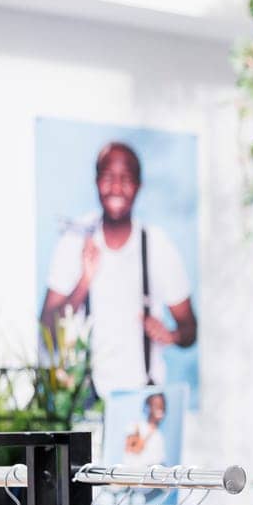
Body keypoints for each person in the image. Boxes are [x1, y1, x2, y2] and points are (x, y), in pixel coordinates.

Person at [41, 142, 197, 396]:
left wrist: (172, 335)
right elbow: (48, 331)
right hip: (83, 400)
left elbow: (190, 329)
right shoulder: (74, 240)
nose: (116, 187)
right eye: (108, 177)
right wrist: (84, 281)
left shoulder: (157, 245)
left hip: (143, 403)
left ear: (139, 185)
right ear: (96, 181)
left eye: (126, 179)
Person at [121, 391, 168, 467]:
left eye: (162, 406)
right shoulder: (136, 425)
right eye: (156, 405)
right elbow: (133, 449)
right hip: (136, 474)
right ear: (148, 406)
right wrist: (149, 433)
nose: (160, 409)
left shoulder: (159, 434)